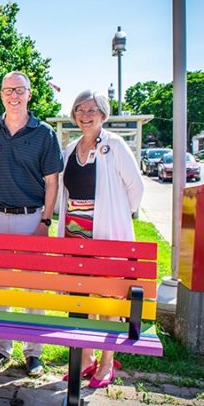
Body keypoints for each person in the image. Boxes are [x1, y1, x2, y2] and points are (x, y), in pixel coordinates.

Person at [0, 71, 63, 377]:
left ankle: (33, 353)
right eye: (7, 90)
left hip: (31, 218)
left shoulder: (44, 133)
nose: (13, 95)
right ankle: (1, 349)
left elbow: (52, 183)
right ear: (1, 94)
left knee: (32, 288)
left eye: (19, 90)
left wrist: (45, 220)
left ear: (30, 94)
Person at [57, 90, 144, 388]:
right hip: (74, 234)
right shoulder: (70, 149)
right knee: (82, 298)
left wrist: (118, 215)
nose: (85, 114)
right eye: (80, 108)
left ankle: (107, 362)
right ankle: (86, 357)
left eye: (92, 109)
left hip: (107, 234)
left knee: (107, 300)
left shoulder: (115, 145)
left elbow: (136, 188)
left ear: (103, 114)